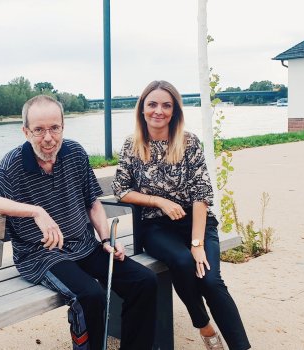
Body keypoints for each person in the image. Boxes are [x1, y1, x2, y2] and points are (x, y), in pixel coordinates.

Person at [0, 95, 157, 350]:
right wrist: (36, 211)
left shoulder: (75, 153)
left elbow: (93, 203)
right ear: (25, 131)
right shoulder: (13, 163)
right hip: (41, 255)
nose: (48, 138)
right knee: (90, 296)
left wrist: (106, 239)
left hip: (85, 245)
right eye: (38, 130)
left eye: (54, 128)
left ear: (63, 127)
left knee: (145, 282)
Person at [112, 80, 251, 350]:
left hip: (196, 223)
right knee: (181, 260)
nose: (158, 111)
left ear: (175, 111)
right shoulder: (132, 145)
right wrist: (158, 201)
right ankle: (204, 325)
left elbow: (201, 194)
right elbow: (120, 190)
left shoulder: (189, 142)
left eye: (166, 105)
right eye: (152, 104)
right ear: (142, 108)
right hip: (155, 227)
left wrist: (197, 243)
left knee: (210, 279)